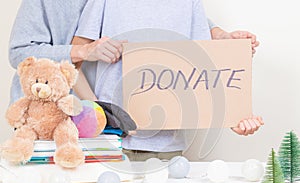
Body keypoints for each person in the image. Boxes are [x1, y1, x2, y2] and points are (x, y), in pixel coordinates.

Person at [8, 0, 263, 161]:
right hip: (49, 124)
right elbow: (19, 52)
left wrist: (220, 38)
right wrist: (83, 53)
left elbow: (170, 19)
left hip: (129, 130)